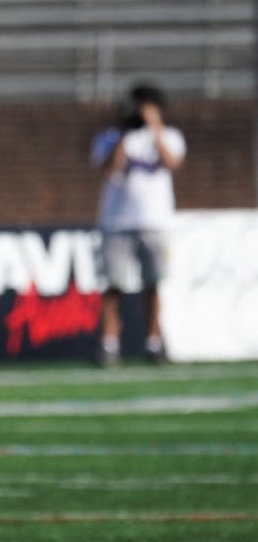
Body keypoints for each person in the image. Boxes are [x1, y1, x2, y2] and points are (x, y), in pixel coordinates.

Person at [91, 82, 184, 366]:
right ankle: (110, 345)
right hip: (116, 223)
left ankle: (154, 342)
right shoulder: (110, 137)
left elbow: (171, 161)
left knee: (152, 285)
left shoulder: (170, 135)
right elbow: (108, 169)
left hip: (154, 221)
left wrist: (154, 128)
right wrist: (123, 136)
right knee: (112, 286)